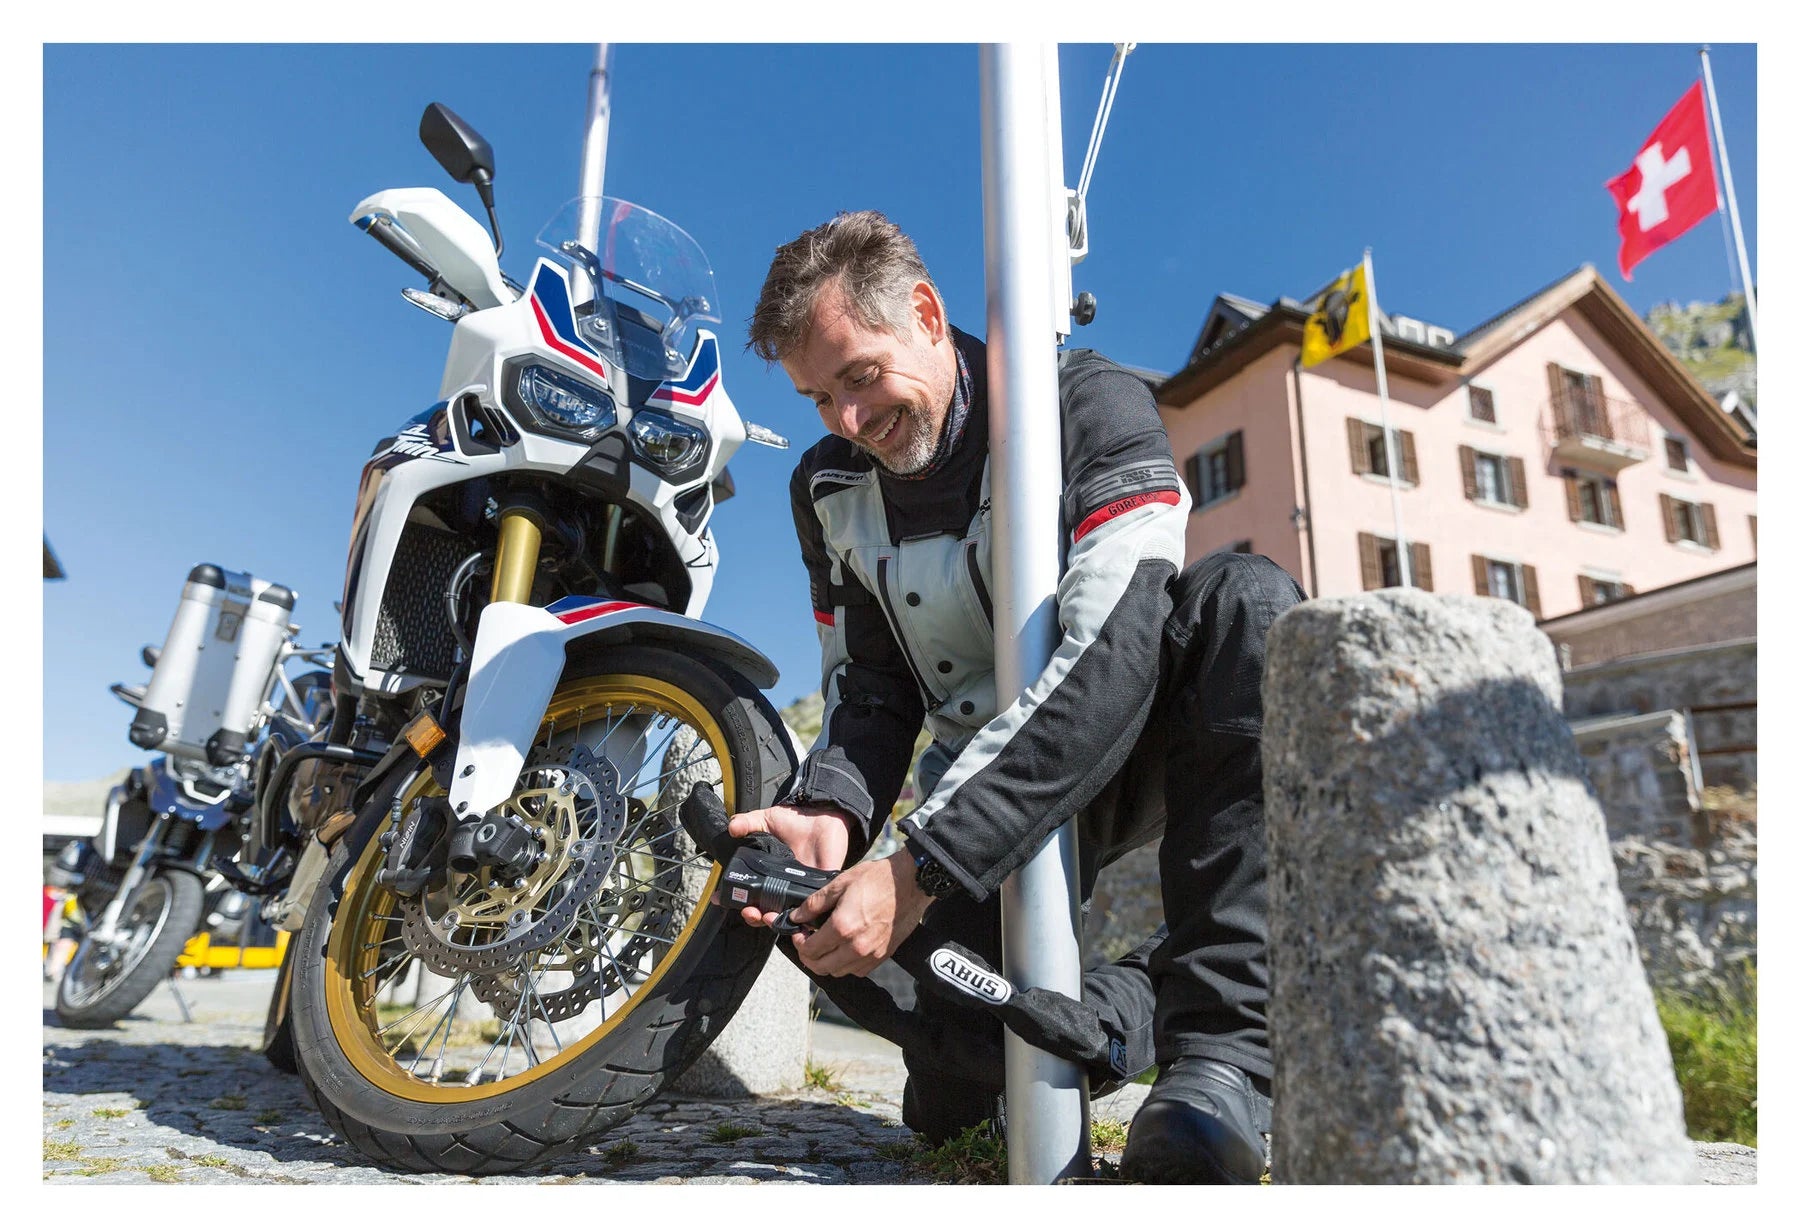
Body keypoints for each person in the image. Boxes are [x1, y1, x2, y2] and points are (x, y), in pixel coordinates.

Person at [730, 210, 1305, 1184]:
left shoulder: (1087, 403)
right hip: (968, 803)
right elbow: (872, 688)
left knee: (1245, 600)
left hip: (1120, 744)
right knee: (844, 974)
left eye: (860, 377)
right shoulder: (823, 486)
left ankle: (1223, 1055)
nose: (849, 423)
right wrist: (829, 813)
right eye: (819, 398)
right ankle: (1098, 1015)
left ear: (923, 311)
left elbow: (1115, 646)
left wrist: (919, 870)